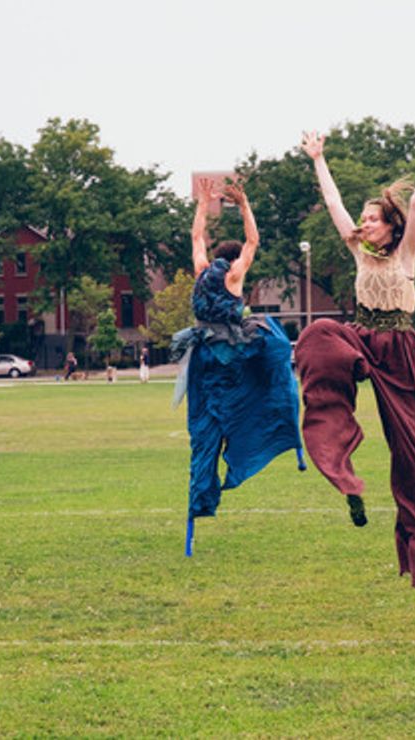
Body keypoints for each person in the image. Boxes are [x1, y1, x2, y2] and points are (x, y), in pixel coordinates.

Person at [297, 125, 415, 646]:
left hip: (403, 353)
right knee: (320, 335)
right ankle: (345, 477)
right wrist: (319, 159)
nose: (363, 224)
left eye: (372, 219)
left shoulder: (406, 251)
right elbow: (332, 201)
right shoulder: (359, 255)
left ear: (389, 228)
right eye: (362, 219)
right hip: (363, 339)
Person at [171, 178, 304, 556]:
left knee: (205, 427)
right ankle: (272, 435)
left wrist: (202, 205)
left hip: (201, 359)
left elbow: (196, 239)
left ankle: (203, 496)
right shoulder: (232, 274)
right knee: (268, 362)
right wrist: (244, 205)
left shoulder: (201, 270)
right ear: (234, 263)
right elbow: (254, 242)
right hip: (229, 357)